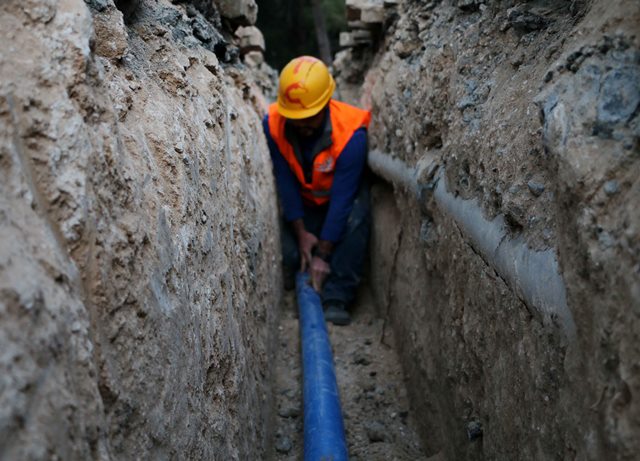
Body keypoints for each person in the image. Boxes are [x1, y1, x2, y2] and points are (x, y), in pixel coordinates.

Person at [262, 55, 371, 326]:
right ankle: (303, 273)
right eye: (295, 119)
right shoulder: (274, 125)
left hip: (340, 207)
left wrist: (323, 254)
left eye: (308, 118)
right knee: (290, 255)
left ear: (325, 104)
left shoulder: (351, 135)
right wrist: (301, 234)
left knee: (357, 217)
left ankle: (337, 294)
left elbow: (343, 199)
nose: (302, 126)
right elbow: (285, 181)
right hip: (306, 205)